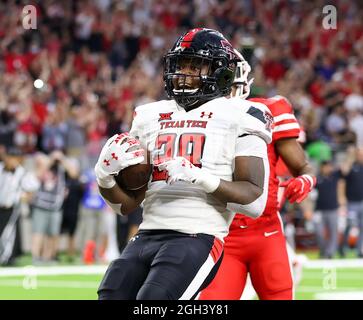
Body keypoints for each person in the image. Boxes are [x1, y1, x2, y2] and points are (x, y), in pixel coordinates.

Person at [94, 28, 273, 300]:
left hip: (196, 235)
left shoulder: (241, 114)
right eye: (181, 65)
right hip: (146, 234)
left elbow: (253, 202)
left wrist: (200, 178)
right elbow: (126, 205)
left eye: (195, 66)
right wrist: (104, 177)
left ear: (220, 72)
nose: (184, 73)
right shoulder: (148, 115)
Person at [200, 49, 316, 300]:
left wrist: (305, 180)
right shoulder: (195, 119)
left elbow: (303, 167)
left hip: (266, 231)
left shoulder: (268, 111)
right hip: (222, 233)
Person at [313, 160, 344, 259]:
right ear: (321, 168)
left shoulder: (335, 176)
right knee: (319, 232)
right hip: (319, 210)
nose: (327, 168)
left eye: (329, 166)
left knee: (333, 232)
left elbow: (345, 168)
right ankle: (324, 251)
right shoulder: (317, 179)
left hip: (333, 209)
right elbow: (310, 195)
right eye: (325, 166)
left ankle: (330, 253)